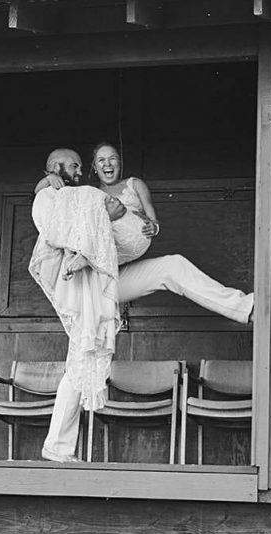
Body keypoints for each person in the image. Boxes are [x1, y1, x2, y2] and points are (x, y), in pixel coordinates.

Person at [32, 146, 254, 462]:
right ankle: (57, 447)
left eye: (83, 166)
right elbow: (51, 222)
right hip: (81, 286)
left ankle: (245, 308)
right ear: (55, 167)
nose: (81, 171)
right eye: (75, 166)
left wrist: (132, 221)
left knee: (171, 267)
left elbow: (130, 232)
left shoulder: (90, 194)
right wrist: (48, 182)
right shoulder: (51, 196)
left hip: (106, 275)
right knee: (82, 357)